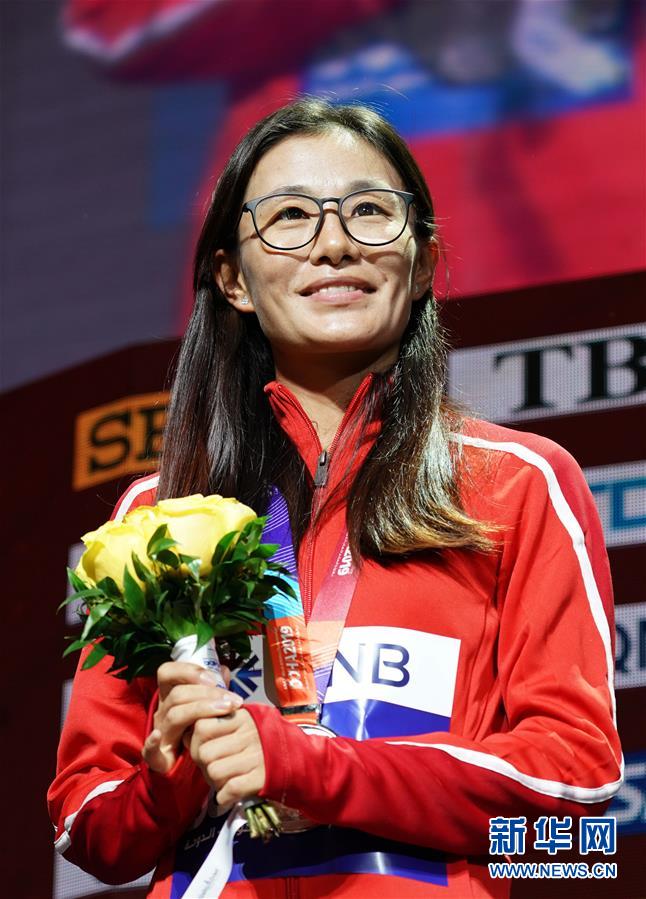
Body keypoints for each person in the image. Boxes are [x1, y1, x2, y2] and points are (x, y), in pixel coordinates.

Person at [49, 98, 622, 898]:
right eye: (289, 215)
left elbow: (576, 803)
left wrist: (315, 767)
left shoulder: (519, 482)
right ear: (232, 278)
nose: (334, 243)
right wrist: (175, 774)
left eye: (369, 211)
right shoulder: (157, 515)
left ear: (421, 263)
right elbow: (90, 832)